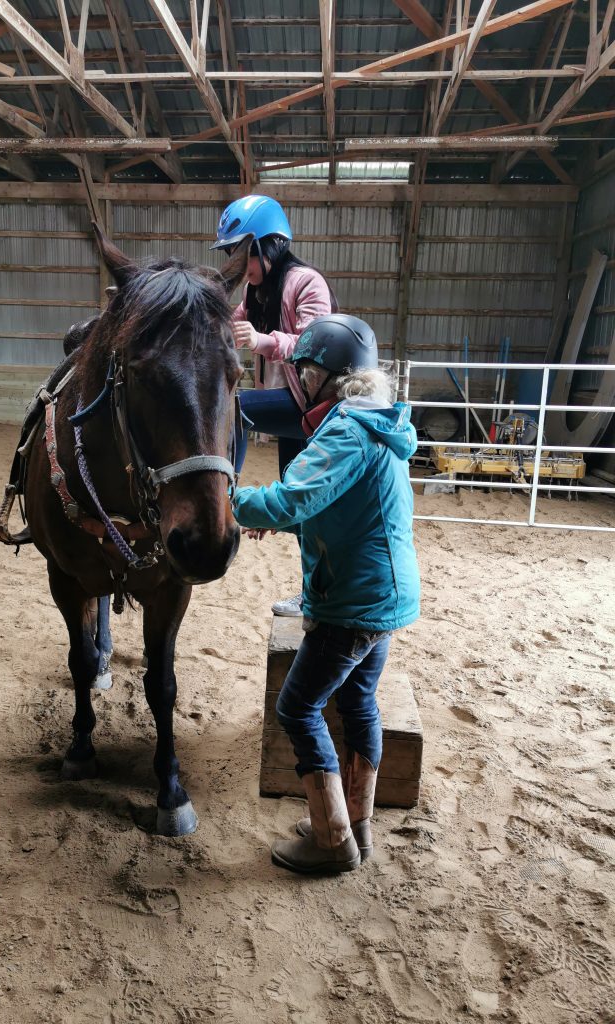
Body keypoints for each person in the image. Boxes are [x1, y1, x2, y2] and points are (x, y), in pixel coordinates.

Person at [231, 315, 420, 874]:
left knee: (297, 706)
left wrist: (231, 502)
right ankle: (355, 820)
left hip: (353, 600)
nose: (300, 385)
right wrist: (284, 515)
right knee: (359, 701)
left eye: (305, 374)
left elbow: (294, 498)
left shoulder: (345, 431)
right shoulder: (376, 424)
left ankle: (332, 840)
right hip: (382, 595)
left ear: (327, 377)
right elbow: (338, 505)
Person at [211, 194, 336, 617]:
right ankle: (313, 594)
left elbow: (314, 344)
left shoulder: (307, 283)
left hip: (310, 406)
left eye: (241, 252)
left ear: (270, 246)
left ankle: (226, 492)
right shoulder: (256, 290)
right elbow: (232, 321)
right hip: (288, 408)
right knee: (299, 504)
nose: (236, 261)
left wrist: (262, 341)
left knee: (241, 408)